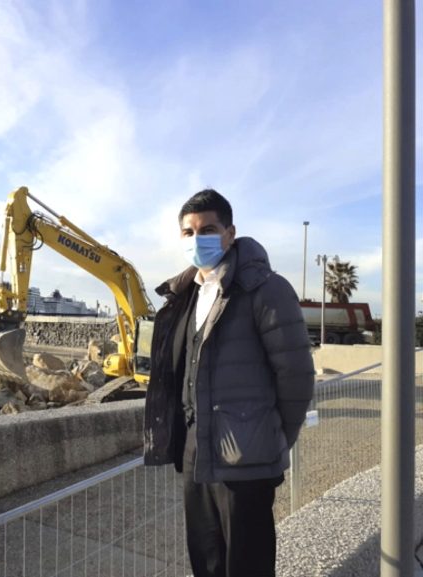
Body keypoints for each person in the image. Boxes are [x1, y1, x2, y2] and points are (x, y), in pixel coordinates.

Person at [144, 189, 314, 577]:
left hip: (246, 462)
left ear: (230, 233)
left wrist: (269, 437)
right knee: (206, 561)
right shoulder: (185, 295)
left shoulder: (265, 290)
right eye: (188, 232)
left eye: (207, 229)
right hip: (195, 455)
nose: (196, 238)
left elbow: (297, 376)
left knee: (247, 566)